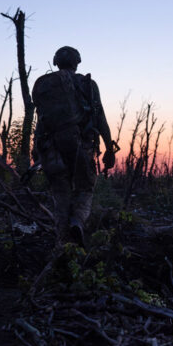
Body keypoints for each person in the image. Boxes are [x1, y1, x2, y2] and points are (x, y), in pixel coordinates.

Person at [31, 45, 115, 246]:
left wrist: (36, 150)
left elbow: (41, 121)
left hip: (52, 148)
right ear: (77, 63)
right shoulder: (87, 84)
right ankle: (77, 220)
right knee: (85, 189)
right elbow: (100, 117)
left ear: (56, 62)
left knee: (60, 193)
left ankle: (62, 241)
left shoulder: (43, 84)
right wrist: (109, 148)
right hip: (81, 147)